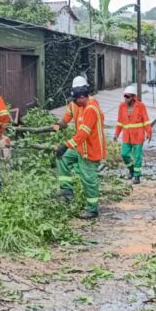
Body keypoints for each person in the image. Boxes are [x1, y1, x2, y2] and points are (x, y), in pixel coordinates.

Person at [56, 81, 106, 219]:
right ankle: (67, 191)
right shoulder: (81, 106)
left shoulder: (90, 109)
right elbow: (68, 118)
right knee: (63, 158)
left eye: (75, 100)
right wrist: (58, 126)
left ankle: (92, 209)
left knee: (89, 179)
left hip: (91, 149)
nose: (74, 103)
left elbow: (83, 133)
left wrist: (66, 145)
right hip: (81, 146)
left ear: (83, 97)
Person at [114, 84, 151, 185]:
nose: (125, 99)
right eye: (124, 96)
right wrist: (116, 134)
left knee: (137, 156)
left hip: (138, 136)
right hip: (127, 136)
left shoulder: (140, 106)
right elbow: (119, 122)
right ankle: (131, 170)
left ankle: (137, 176)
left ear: (133, 97)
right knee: (124, 154)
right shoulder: (122, 106)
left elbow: (146, 120)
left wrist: (148, 132)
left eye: (128, 96)